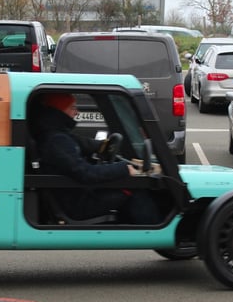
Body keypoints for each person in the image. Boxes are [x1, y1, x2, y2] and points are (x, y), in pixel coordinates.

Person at [31, 92, 160, 224]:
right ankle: (153, 231)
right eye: (72, 108)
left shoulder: (56, 135)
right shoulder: (57, 141)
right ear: (58, 112)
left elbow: (85, 143)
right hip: (78, 204)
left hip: (77, 195)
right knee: (135, 190)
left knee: (127, 187)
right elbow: (86, 173)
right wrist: (124, 169)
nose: (76, 112)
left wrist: (106, 146)